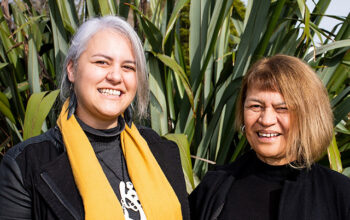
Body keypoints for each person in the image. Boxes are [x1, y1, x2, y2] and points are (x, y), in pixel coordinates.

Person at [0, 16, 189, 220]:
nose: (116, 77)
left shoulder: (162, 152)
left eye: (128, 67)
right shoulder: (26, 165)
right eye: (102, 62)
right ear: (72, 69)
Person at [189, 54, 350, 220]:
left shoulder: (340, 195)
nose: (266, 120)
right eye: (256, 106)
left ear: (307, 116)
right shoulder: (214, 188)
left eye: (282, 108)